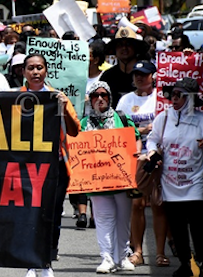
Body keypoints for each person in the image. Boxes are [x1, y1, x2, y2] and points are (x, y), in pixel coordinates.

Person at [20, 53, 80, 277]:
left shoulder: (58, 97)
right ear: (24, 72)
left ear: (46, 71)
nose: (35, 72)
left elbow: (74, 131)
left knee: (52, 215)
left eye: (39, 68)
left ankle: (46, 261)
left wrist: (64, 108)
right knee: (27, 214)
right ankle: (29, 262)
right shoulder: (15, 97)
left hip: (54, 166)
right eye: (31, 68)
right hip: (25, 167)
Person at [145, 77, 203, 277]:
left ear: (191, 98)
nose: (174, 98)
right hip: (170, 183)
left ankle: (201, 263)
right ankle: (186, 264)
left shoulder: (202, 119)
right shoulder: (164, 117)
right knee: (177, 227)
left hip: (196, 182)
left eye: (180, 95)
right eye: (173, 94)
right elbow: (152, 140)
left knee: (198, 227)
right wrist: (153, 153)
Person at [116, 60, 171, 267]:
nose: (140, 77)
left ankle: (159, 252)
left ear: (153, 77)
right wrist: (141, 131)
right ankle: (137, 251)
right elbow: (119, 130)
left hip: (157, 156)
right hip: (135, 158)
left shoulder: (160, 99)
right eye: (137, 74)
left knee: (158, 205)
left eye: (145, 74)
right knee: (137, 205)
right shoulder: (125, 101)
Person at [82, 81, 140, 273]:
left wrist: (135, 161)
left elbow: (136, 137)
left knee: (123, 219)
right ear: (89, 100)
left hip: (121, 179)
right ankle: (106, 258)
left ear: (109, 97)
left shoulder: (121, 118)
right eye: (95, 95)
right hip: (97, 180)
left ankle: (122, 257)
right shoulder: (83, 123)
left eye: (104, 95)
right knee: (103, 217)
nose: (100, 99)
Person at [100, 26, 149, 108]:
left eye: (128, 44)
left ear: (136, 48)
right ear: (114, 50)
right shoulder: (107, 77)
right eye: (120, 45)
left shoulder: (146, 75)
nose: (124, 48)